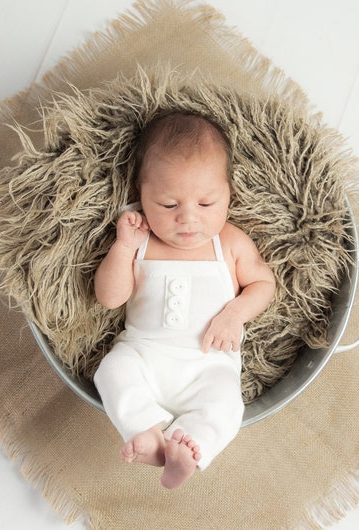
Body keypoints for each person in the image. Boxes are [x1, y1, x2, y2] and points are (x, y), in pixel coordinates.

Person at [93, 111, 276, 489]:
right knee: (111, 371)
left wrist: (235, 314)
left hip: (207, 367)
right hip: (144, 354)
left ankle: (190, 446)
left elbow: (263, 283)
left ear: (229, 195)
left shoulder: (229, 243)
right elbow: (110, 298)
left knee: (227, 405)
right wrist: (123, 248)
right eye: (168, 205)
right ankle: (150, 433)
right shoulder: (139, 240)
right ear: (141, 195)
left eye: (206, 204)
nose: (188, 219)